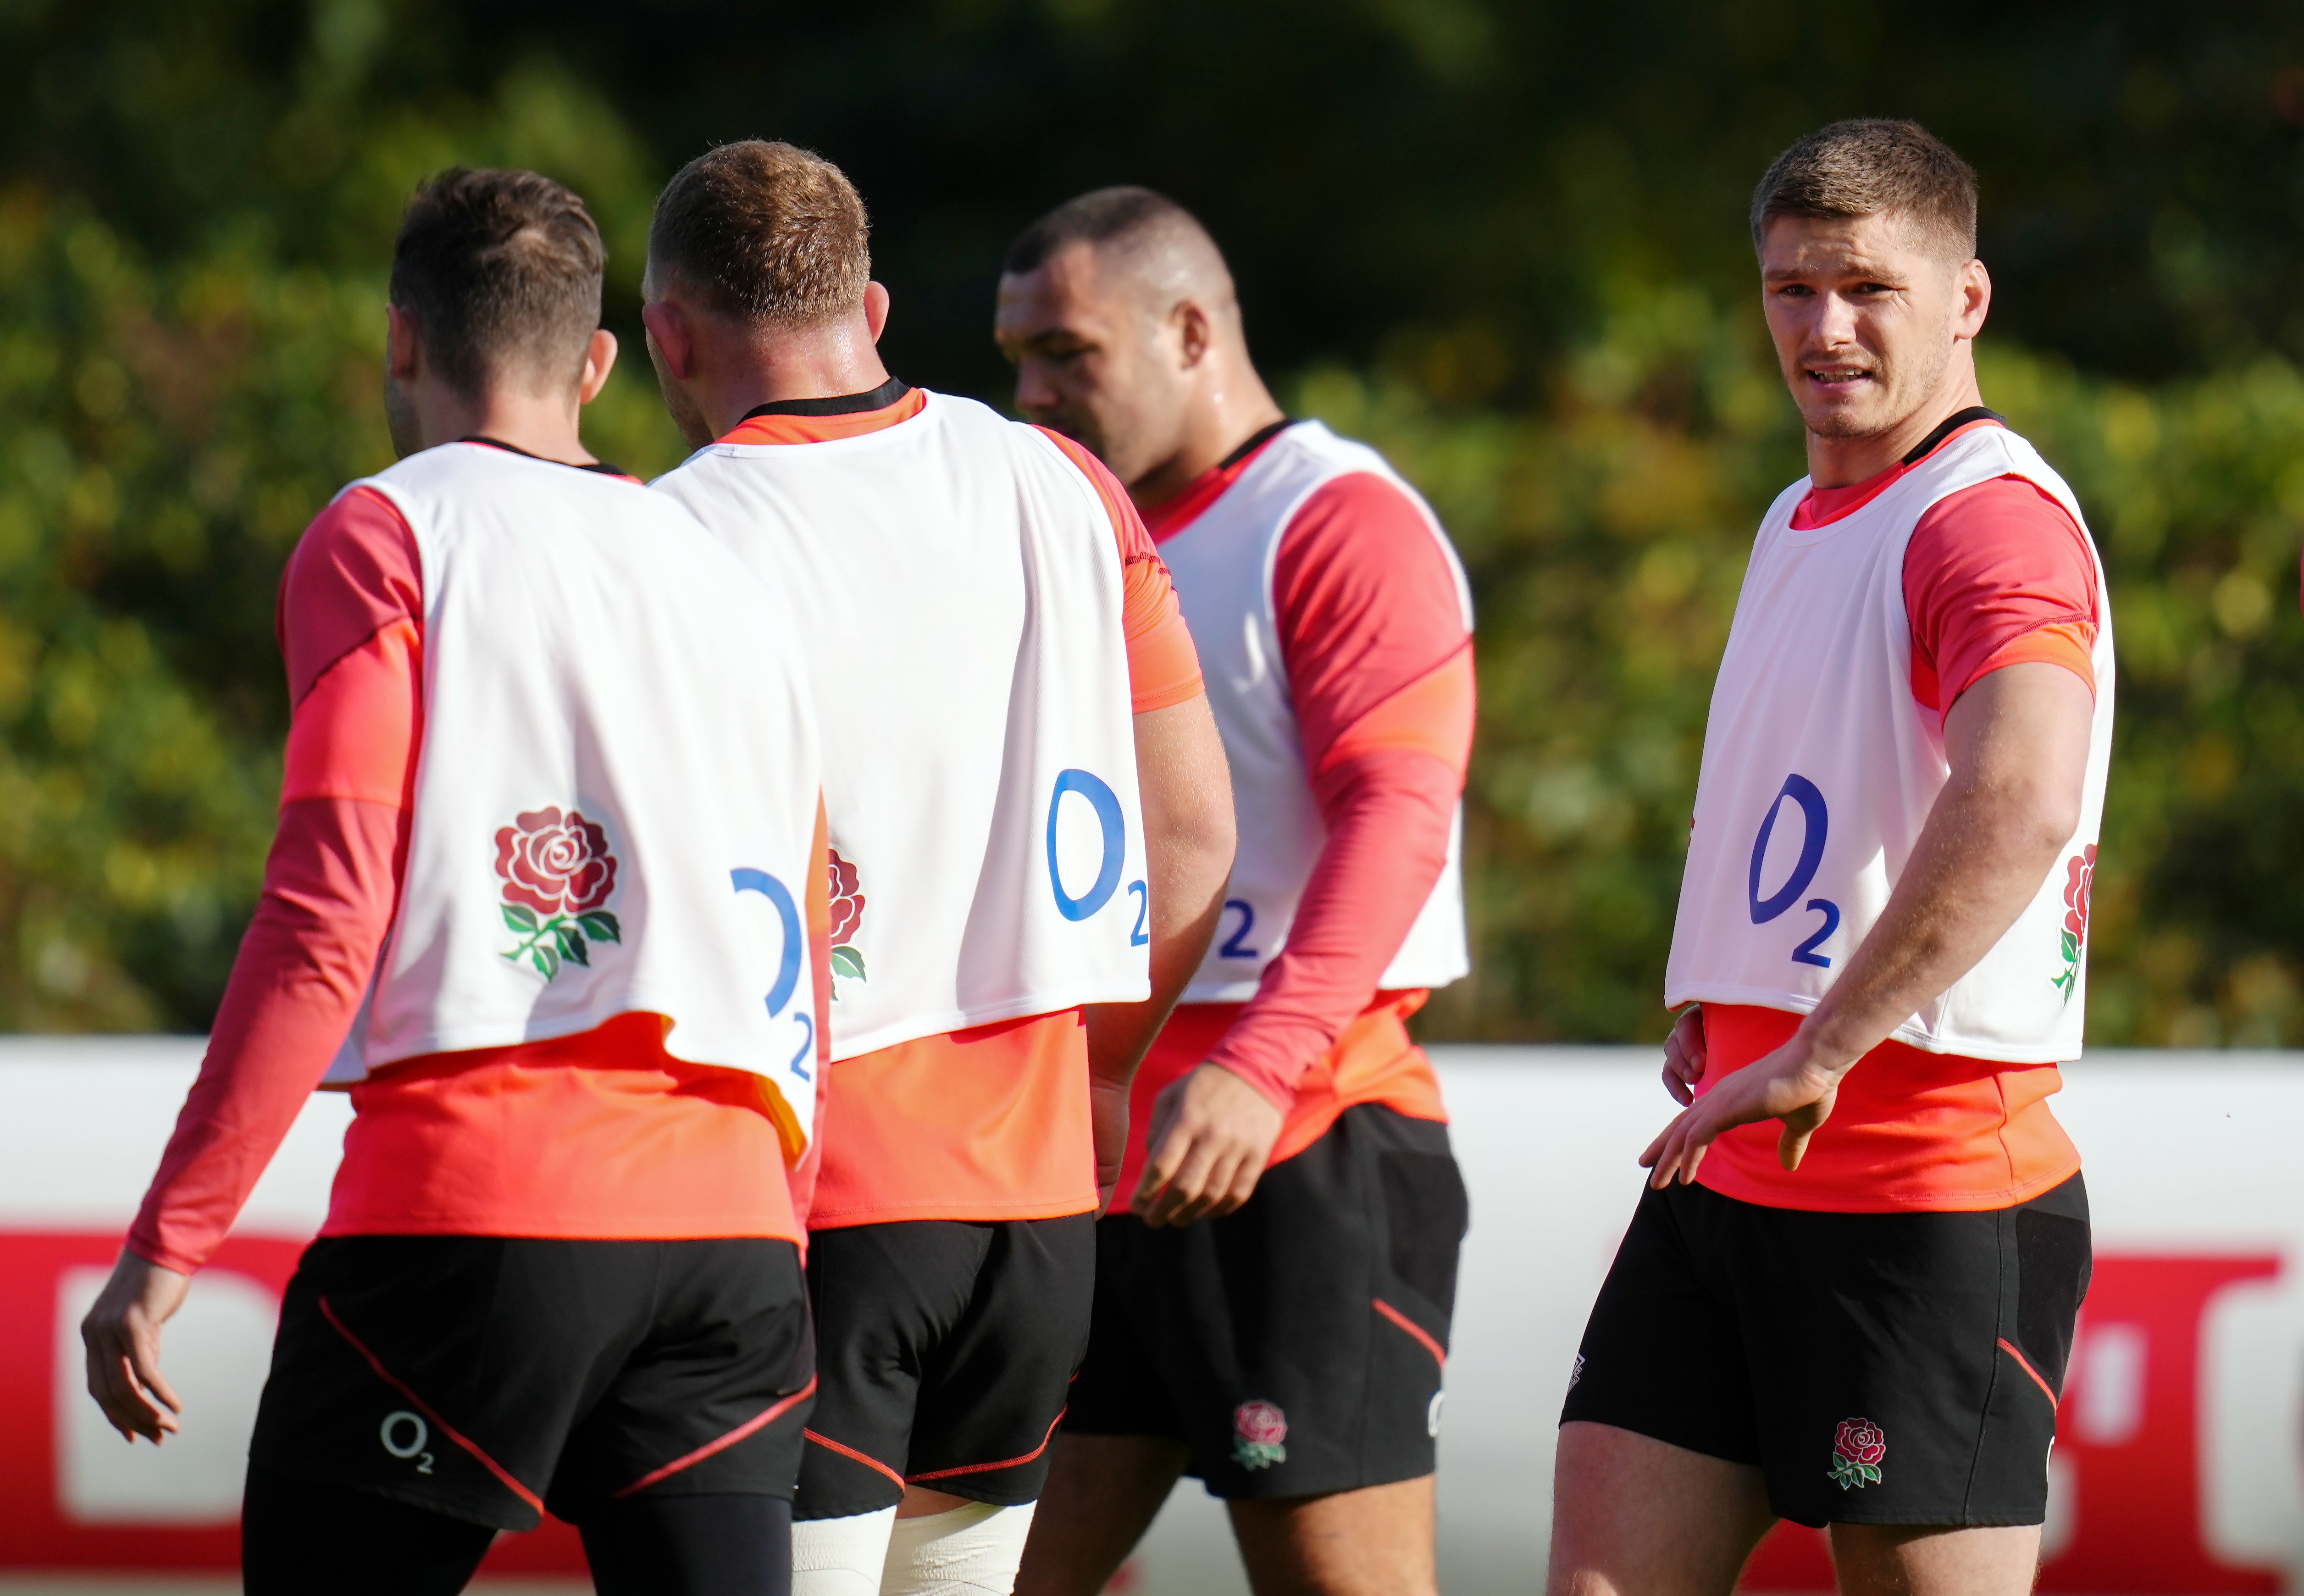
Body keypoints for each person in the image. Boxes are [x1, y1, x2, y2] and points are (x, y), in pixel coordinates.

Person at [78, 168, 832, 1596]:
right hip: (732, 1234)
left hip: (482, 1214)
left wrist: (170, 1245)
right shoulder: (728, 564)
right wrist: (779, 1220)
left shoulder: (388, 531)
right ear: (598, 361)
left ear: (402, 341)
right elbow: (795, 908)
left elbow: (324, 914)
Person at [640, 143, 1237, 1596]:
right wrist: (1104, 1076)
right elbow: (1198, 840)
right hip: (1034, 1216)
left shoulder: (671, 536)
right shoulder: (1066, 484)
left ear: (666, 332)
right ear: (878, 306)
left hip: (817, 1209)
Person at [1549, 120, 2110, 1596]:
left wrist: (1820, 1040)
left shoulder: (1986, 521)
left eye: (1868, 287)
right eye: (1792, 289)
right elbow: (1822, 795)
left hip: (1926, 1201)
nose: (1826, 327)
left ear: (1968, 300)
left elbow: (2022, 800)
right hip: (1730, 1180)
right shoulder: (1800, 508)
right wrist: (1727, 991)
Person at [994, 188, 1475, 1596]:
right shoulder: (1071, 541)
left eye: (1067, 353)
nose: (1031, 395)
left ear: (1192, 330)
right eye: (1015, 357)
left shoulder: (1333, 521)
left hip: (1301, 1148)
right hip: (1093, 1174)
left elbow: (1401, 811)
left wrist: (1262, 1068)